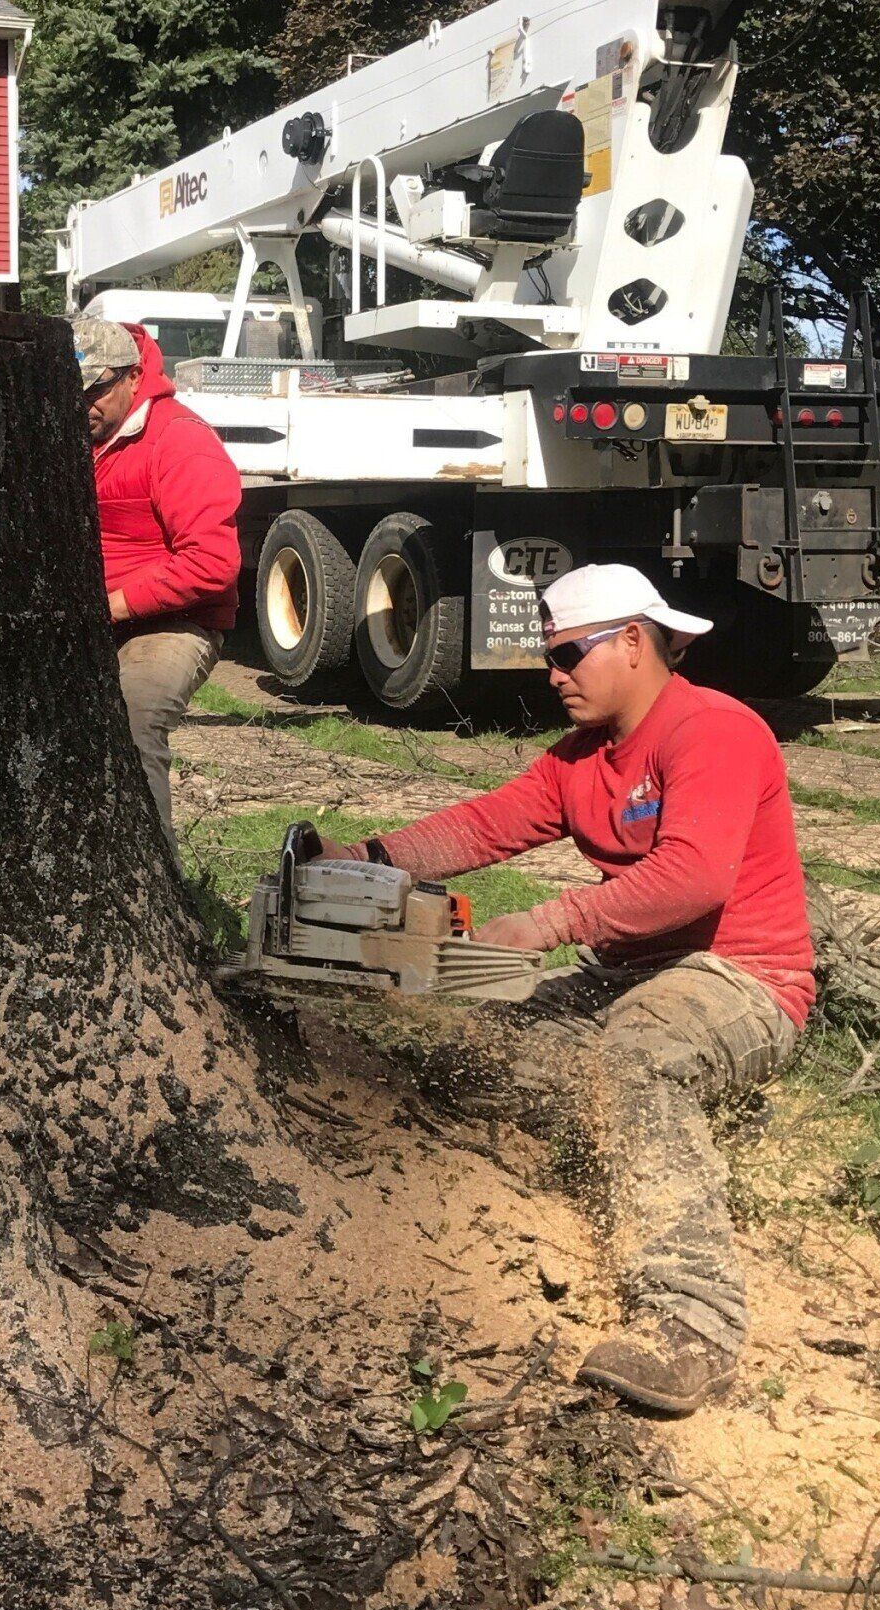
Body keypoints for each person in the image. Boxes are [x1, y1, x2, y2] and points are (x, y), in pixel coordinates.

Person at [322, 562, 813, 1416]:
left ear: (633, 640)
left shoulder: (714, 731)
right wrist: (362, 862)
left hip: (742, 979)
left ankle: (691, 1323)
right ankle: (678, 1133)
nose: (553, 675)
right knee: (480, 1047)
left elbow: (694, 879)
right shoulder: (580, 760)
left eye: (567, 654)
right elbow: (481, 824)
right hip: (629, 977)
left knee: (635, 1062)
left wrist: (547, 925)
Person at [72, 313, 241, 841]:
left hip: (174, 623)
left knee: (132, 723)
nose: (83, 406)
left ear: (130, 375)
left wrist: (114, 606)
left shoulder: (179, 440)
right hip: (98, 615)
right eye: (71, 393)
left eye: (94, 390)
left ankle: (159, 886)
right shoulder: (79, 436)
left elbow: (211, 563)